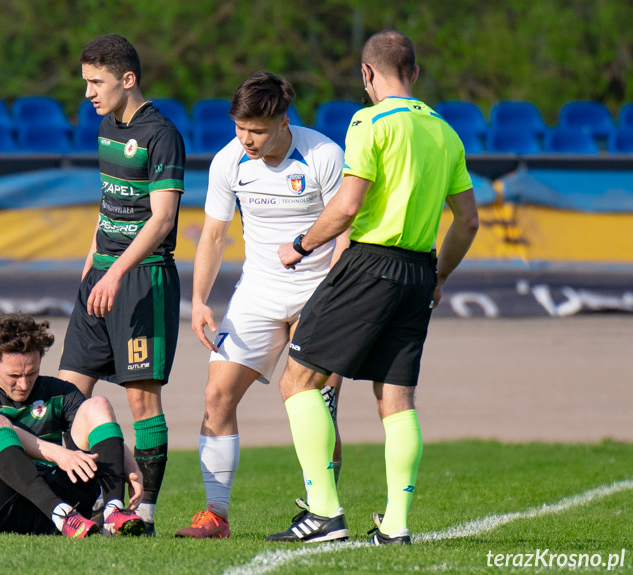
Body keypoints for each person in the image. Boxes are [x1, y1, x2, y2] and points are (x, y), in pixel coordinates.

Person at [267, 30, 479, 544]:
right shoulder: (446, 132)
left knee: (298, 382)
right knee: (397, 399)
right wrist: (440, 277)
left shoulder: (369, 121)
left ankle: (322, 513)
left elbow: (346, 206)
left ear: (367, 73)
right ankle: (397, 525)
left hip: (370, 265)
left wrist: (300, 244)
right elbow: (468, 221)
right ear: (416, 74)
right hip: (418, 272)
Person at [174, 72, 348, 539]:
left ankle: (323, 512)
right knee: (216, 395)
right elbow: (213, 234)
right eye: (239, 128)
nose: (247, 139)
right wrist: (198, 300)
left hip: (319, 294)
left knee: (318, 407)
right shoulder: (229, 161)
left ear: (284, 122)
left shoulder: (324, 155)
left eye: (258, 130)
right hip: (258, 294)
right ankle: (215, 515)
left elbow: (346, 233)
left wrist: (333, 300)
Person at [58, 34, 185, 536]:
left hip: (142, 281)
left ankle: (145, 514)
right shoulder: (106, 127)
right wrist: (91, 265)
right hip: (101, 277)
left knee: (139, 401)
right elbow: (109, 201)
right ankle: (89, 504)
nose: (88, 92)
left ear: (127, 80)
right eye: (85, 82)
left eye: (96, 82)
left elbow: (162, 219)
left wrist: (113, 273)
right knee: (68, 397)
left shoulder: (162, 134)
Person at [0, 313, 145, 537]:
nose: (23, 384)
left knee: (98, 405)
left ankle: (113, 512)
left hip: (59, 501)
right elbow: (0, 428)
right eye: (15, 375)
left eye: (32, 373)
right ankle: (61, 514)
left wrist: (129, 467)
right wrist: (58, 454)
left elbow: (99, 427)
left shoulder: (58, 391)